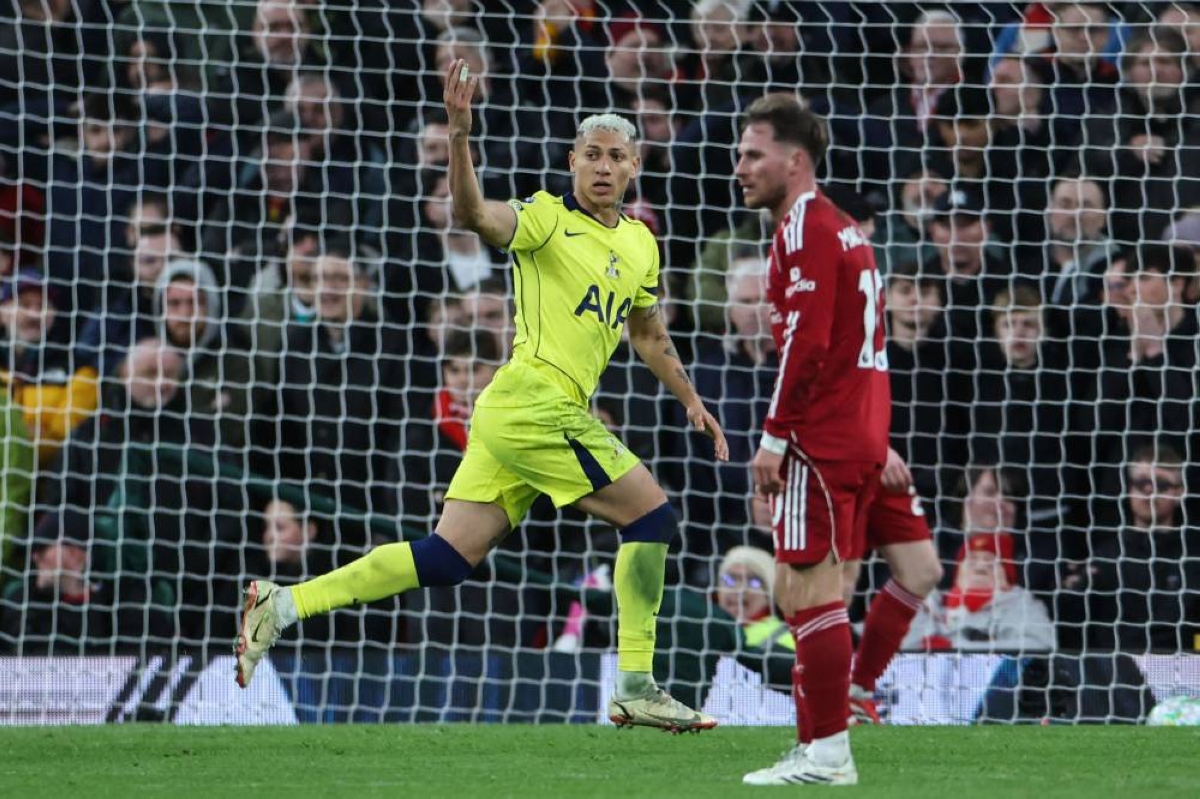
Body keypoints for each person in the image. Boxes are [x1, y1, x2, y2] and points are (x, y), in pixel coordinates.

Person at [234, 59, 729, 734]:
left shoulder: (642, 244)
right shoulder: (546, 219)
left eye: (616, 156)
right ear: (572, 161)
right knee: (650, 518)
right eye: (591, 155)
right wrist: (461, 135)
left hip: (514, 415)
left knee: (446, 556)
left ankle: (282, 604)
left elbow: (647, 331)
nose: (603, 167)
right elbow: (471, 213)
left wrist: (691, 398)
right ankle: (637, 684)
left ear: (636, 165)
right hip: (534, 403)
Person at [738, 94, 890, 786]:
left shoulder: (806, 227)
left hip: (821, 434)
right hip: (856, 427)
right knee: (805, 591)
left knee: (811, 587)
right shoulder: (842, 228)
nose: (740, 167)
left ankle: (829, 751)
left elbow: (808, 341)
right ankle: (815, 745)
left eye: (753, 154)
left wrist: (774, 436)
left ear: (794, 161)